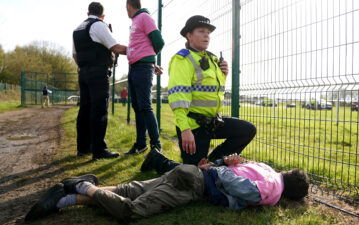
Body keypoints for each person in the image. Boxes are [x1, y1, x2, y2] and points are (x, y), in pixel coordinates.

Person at [24, 151, 309, 222]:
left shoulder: (267, 168)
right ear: (290, 194)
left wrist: (216, 166)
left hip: (188, 172)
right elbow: (246, 190)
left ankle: (65, 198)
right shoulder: (273, 190)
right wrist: (218, 171)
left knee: (130, 189)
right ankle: (84, 186)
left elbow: (237, 169)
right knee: (131, 211)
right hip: (193, 184)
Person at [168, 15, 257, 165]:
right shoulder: (182, 59)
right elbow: (178, 97)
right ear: (189, 35)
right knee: (193, 177)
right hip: (193, 126)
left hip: (212, 123)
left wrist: (224, 75)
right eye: (201, 31)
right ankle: (157, 160)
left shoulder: (213, 59)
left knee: (247, 130)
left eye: (208, 32)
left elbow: (215, 90)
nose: (206, 35)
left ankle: (214, 162)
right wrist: (185, 129)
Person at [73, 2, 127, 159]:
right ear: (103, 15)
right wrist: (136, 51)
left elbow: (75, 55)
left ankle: (83, 148)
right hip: (98, 72)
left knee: (84, 110)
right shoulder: (99, 25)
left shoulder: (77, 29)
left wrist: (84, 69)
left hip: (82, 72)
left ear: (87, 12)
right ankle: (99, 150)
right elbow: (115, 47)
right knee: (99, 110)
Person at [124, 0, 165, 155]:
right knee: (137, 107)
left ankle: (156, 146)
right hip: (134, 67)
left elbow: (159, 41)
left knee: (145, 106)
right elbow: (140, 45)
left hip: (142, 67)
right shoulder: (135, 21)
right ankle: (141, 144)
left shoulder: (144, 17)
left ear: (128, 6)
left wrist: (149, 60)